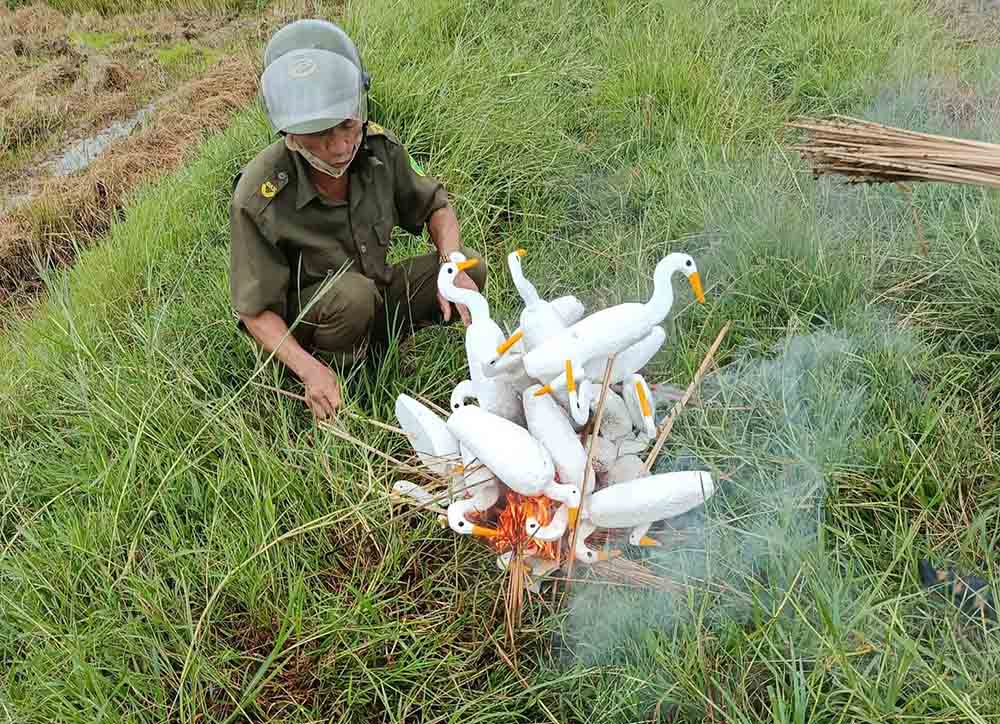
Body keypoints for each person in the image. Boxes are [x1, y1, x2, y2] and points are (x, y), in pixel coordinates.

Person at [229, 19, 486, 421]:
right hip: (311, 333)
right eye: (321, 134)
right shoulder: (260, 195)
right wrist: (308, 370)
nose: (340, 146)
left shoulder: (378, 149)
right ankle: (345, 384)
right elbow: (254, 312)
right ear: (291, 134)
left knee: (470, 267)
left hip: (374, 296)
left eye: (347, 125)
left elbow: (436, 206)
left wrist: (451, 261)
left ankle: (382, 348)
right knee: (353, 297)